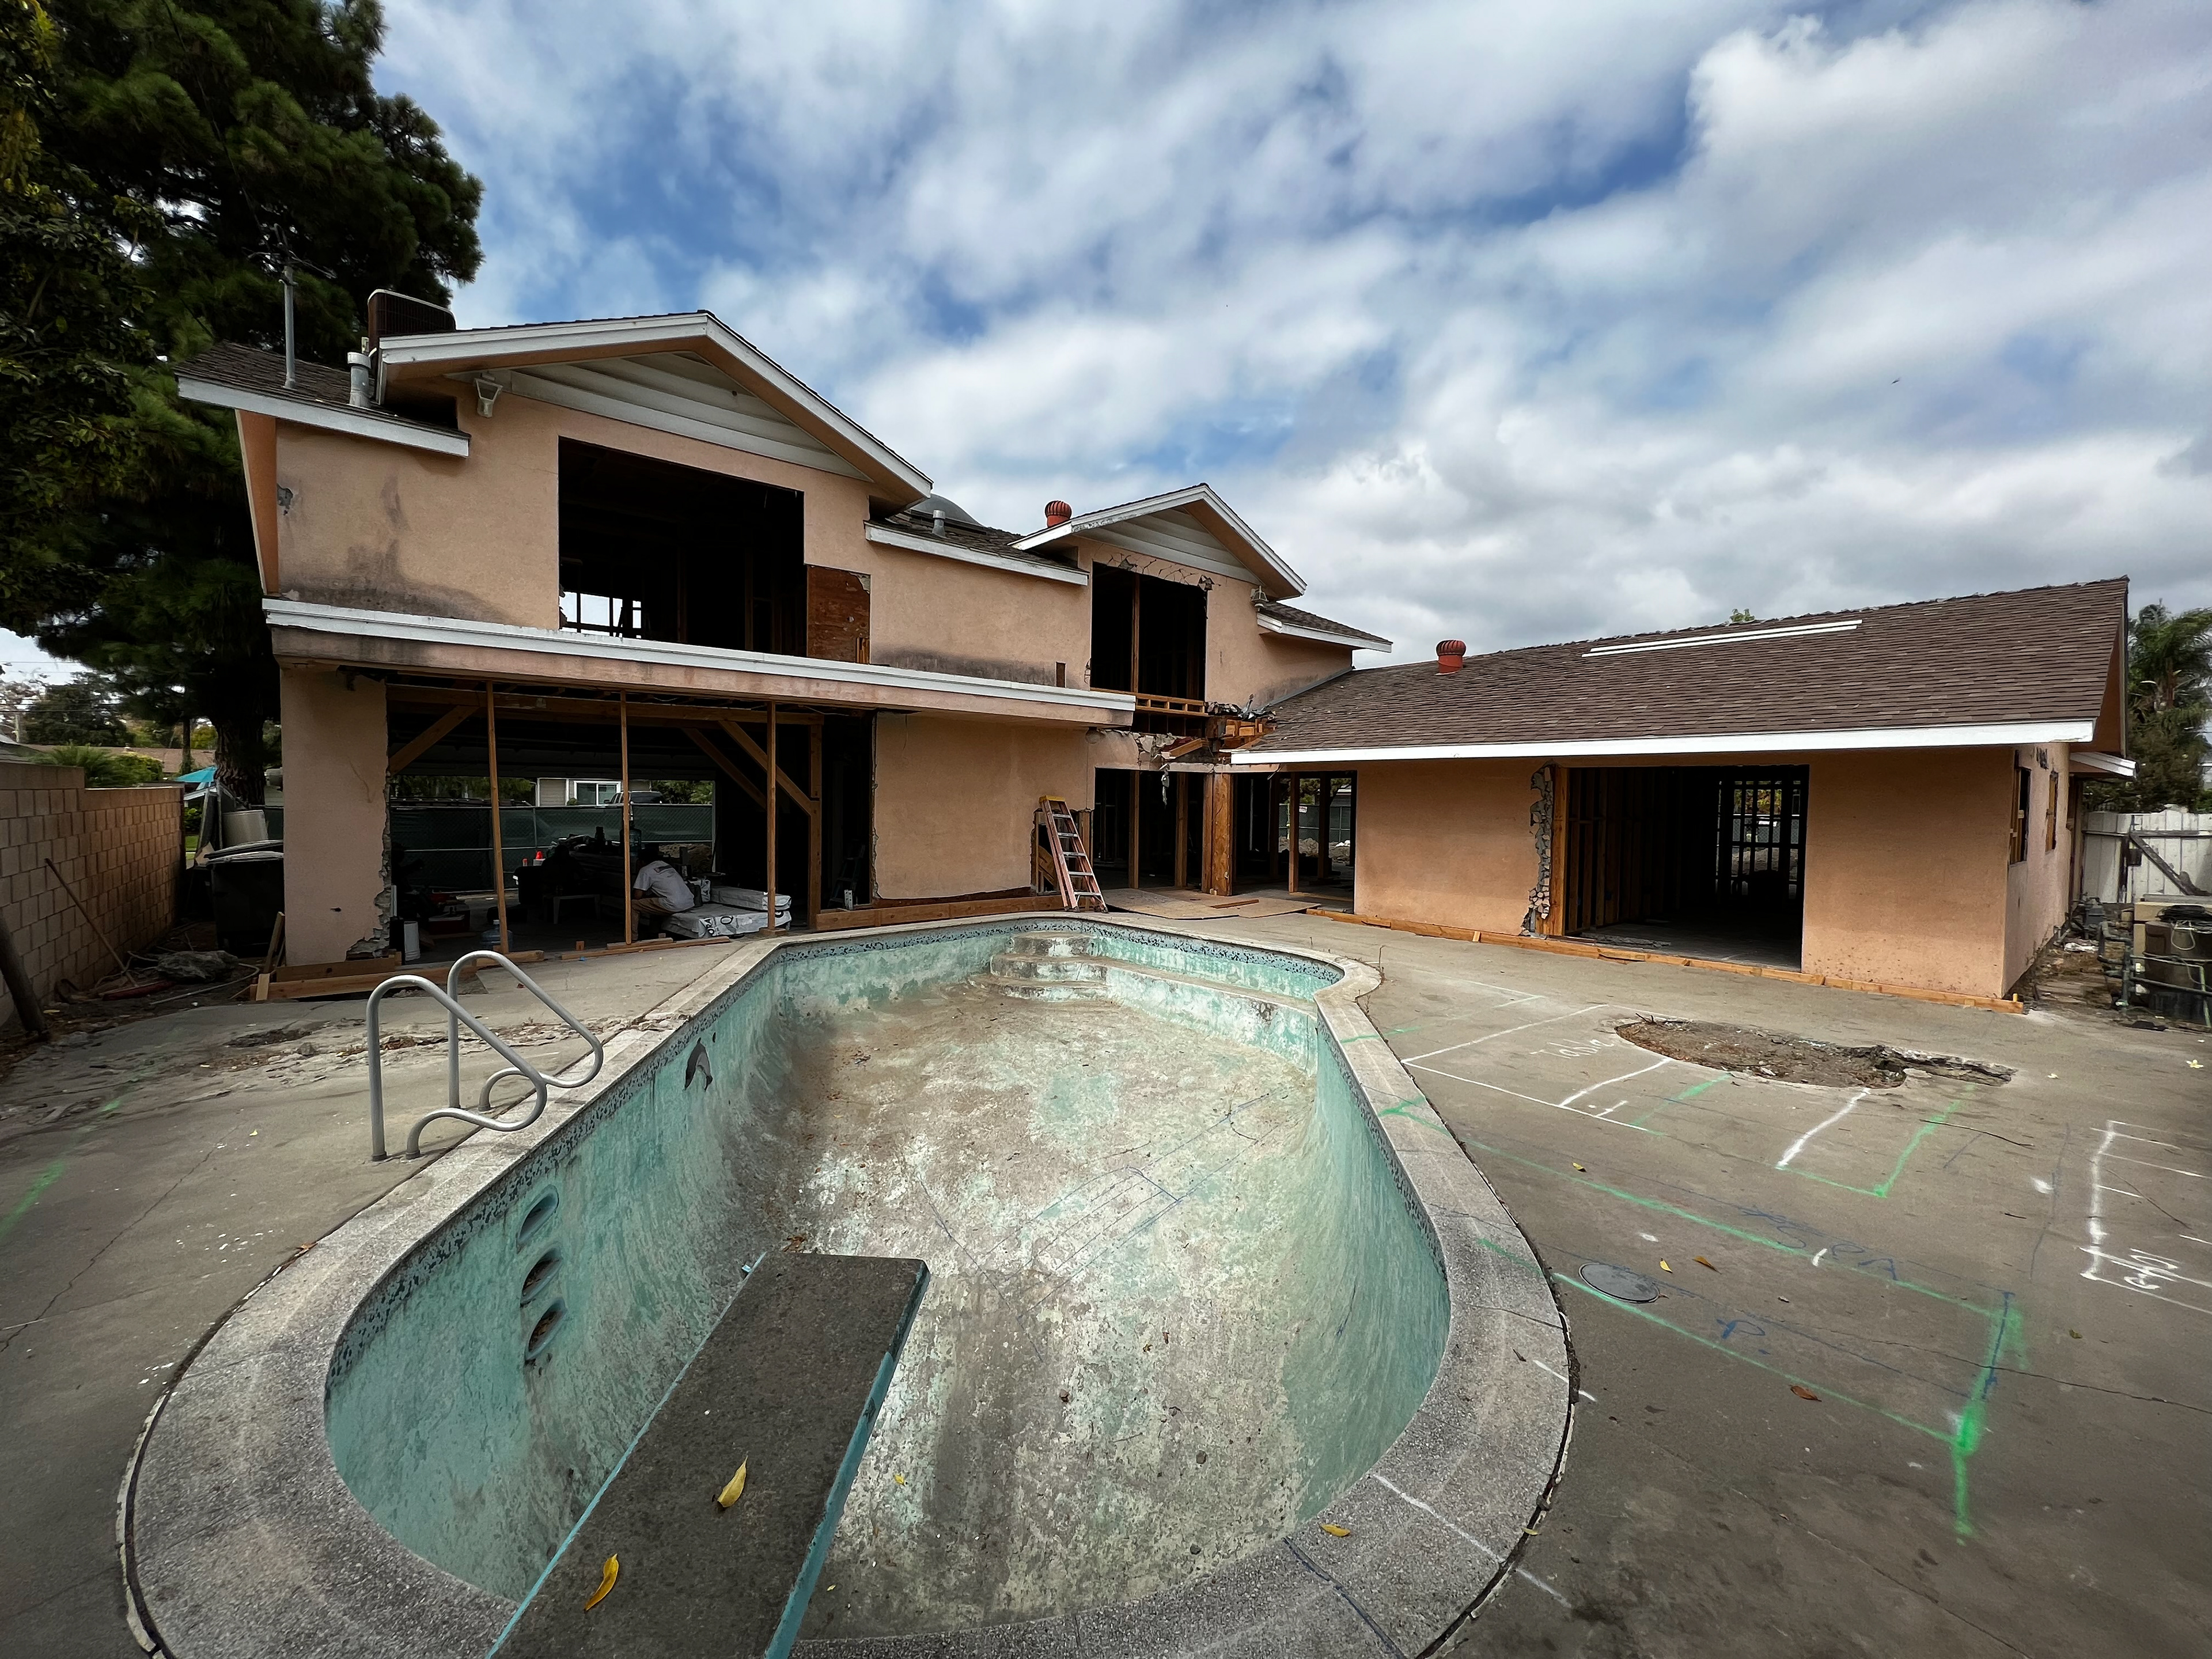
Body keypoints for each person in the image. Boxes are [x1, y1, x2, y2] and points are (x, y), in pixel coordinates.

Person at [631, 844, 695, 931]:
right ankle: (654, 932)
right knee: (655, 905)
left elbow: (637, 896)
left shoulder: (645, 870)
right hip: (689, 902)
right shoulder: (666, 865)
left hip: (674, 904)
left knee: (633, 905)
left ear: (641, 861)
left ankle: (632, 938)